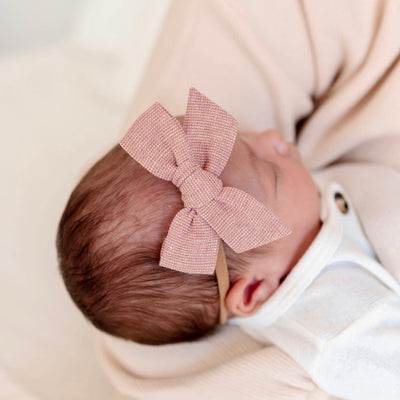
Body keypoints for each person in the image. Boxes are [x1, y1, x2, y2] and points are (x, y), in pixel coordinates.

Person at [57, 88, 400, 400]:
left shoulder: (293, 227)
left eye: (245, 139)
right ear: (253, 292)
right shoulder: (342, 337)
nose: (272, 138)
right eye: (272, 172)